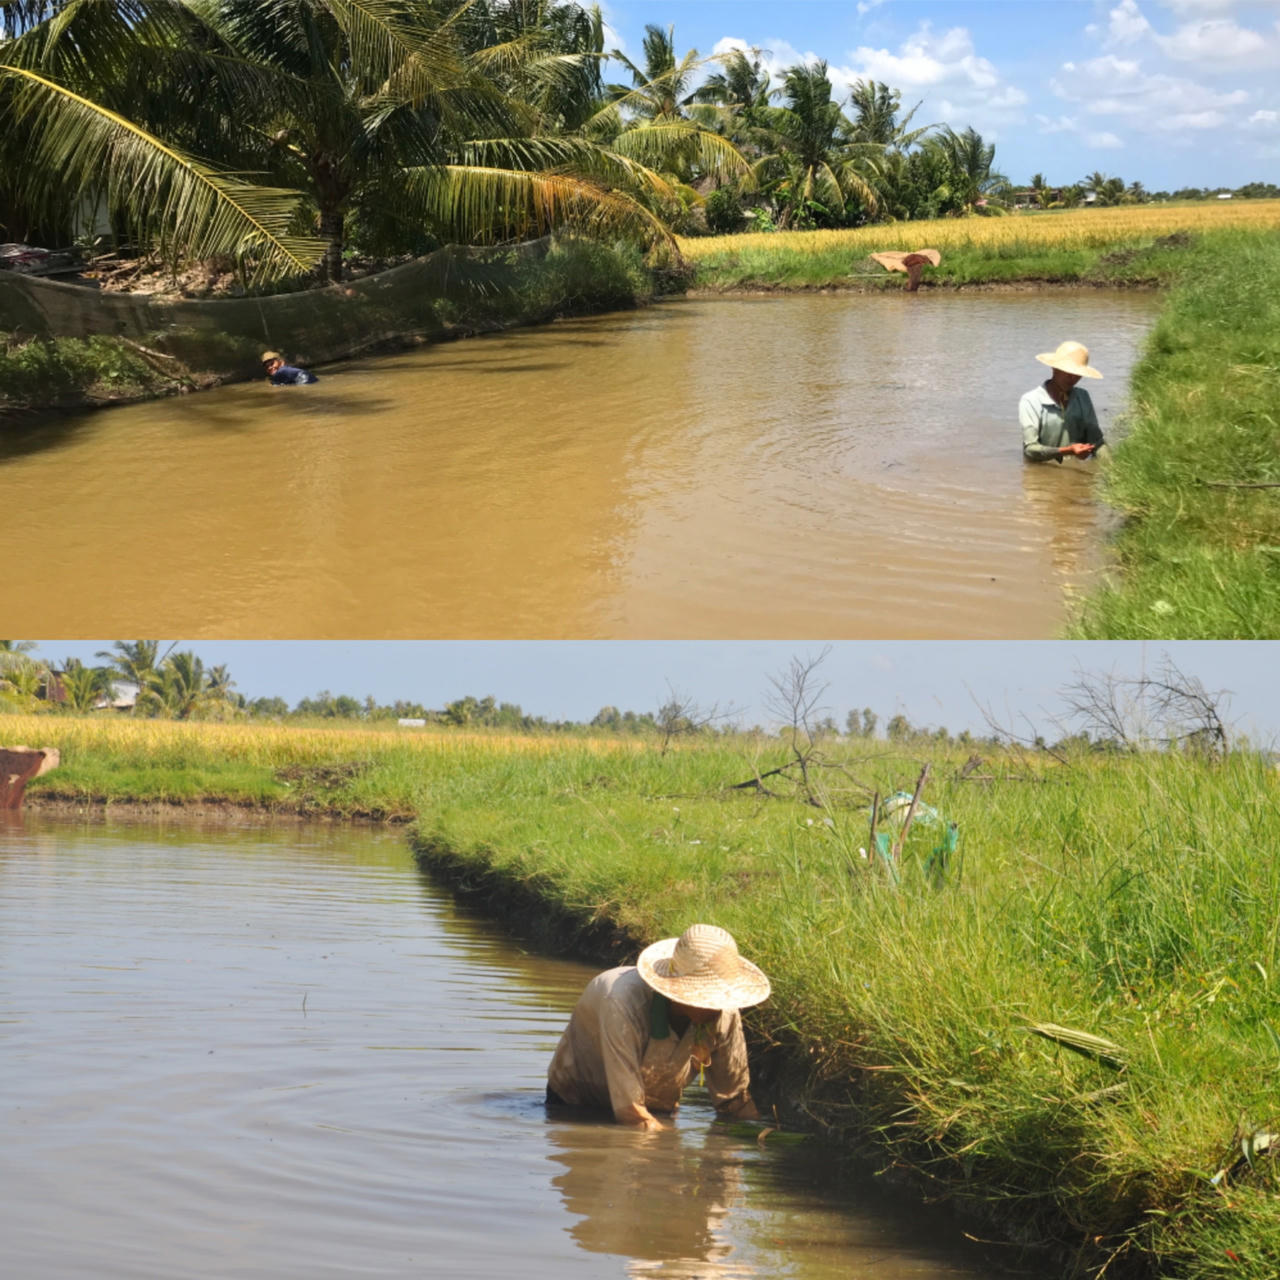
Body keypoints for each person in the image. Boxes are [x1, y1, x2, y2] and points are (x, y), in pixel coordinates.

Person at [547, 923, 770, 1132]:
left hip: (656, 1106)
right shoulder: (622, 1003)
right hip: (576, 1105)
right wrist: (668, 1152)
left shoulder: (725, 1013)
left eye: (723, 998)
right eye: (709, 999)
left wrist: (759, 1138)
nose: (718, 1008)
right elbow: (630, 1111)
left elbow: (734, 1101)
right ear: (679, 994)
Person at [1020, 340, 1105, 463]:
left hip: (1076, 470)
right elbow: (1030, 450)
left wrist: (1113, 469)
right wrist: (1067, 450)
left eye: (1077, 373)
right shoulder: (1031, 401)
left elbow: (1097, 442)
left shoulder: (1083, 397)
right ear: (1054, 368)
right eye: (1068, 372)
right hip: (1043, 471)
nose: (1073, 378)